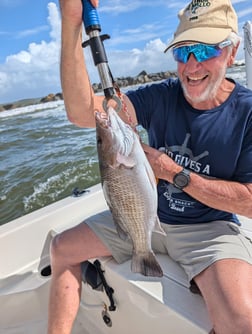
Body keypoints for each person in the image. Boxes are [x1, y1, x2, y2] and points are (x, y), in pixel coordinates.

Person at [48, 0, 252, 333]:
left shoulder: (247, 113)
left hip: (208, 230)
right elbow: (84, 113)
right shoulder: (160, 96)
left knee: (243, 322)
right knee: (61, 249)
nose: (191, 66)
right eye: (182, 52)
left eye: (204, 51)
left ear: (232, 52)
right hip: (146, 215)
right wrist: (71, 24)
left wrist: (173, 172)